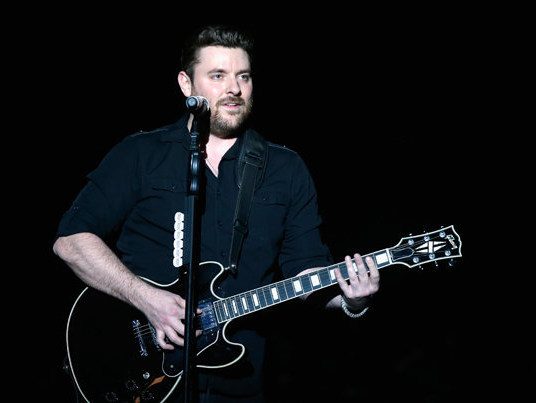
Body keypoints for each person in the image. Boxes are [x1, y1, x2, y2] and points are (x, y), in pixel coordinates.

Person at [53, 25, 380, 402]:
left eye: (243, 76)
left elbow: (306, 270)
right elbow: (72, 241)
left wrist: (351, 301)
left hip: (239, 382)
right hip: (140, 370)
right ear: (185, 84)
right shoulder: (141, 154)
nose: (234, 89)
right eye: (218, 75)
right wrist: (147, 300)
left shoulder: (286, 169)